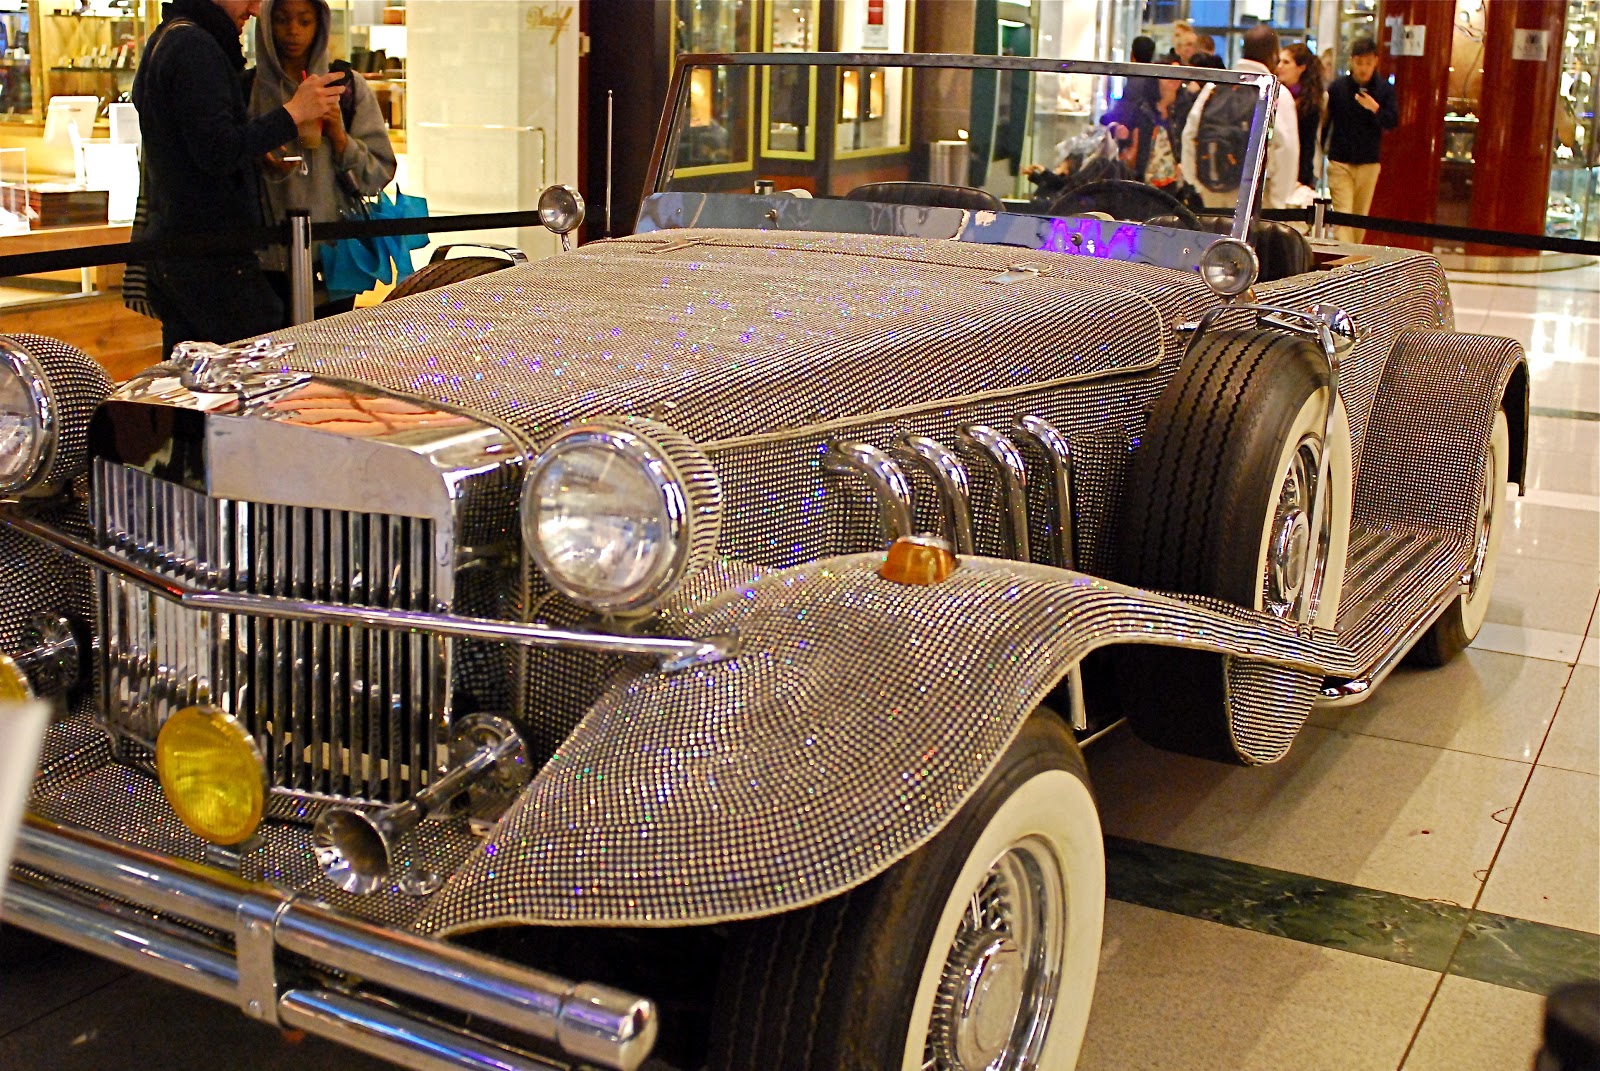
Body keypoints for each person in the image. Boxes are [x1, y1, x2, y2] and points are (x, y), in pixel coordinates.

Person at [131, 0, 343, 358]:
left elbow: (197, 145)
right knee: (252, 368)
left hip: (180, 246)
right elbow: (217, 151)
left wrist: (254, 152)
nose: (256, 9)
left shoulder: (168, 38)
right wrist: (293, 113)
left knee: (191, 372)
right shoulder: (194, 47)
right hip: (209, 252)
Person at [250, 0, 397, 316]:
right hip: (262, 261)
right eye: (282, 20)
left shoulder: (345, 87)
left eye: (304, 21)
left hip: (334, 259)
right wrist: (261, 158)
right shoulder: (248, 89)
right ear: (266, 24)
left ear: (320, 24)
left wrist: (340, 138)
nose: (293, 31)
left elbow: (379, 172)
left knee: (328, 341)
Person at [1181, 23, 1298, 211]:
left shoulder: (1214, 88)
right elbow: (1286, 149)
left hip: (1213, 189)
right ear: (1273, 55)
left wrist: (1196, 183)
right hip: (1257, 194)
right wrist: (1278, 202)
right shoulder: (1276, 92)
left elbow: (1189, 134)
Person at [1323, 35, 1397, 243]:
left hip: (1368, 162)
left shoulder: (1384, 90)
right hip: (1340, 161)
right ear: (1351, 61)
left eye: (1368, 63)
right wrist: (1323, 150)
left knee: (1360, 218)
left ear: (1376, 62)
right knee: (1343, 216)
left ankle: (1354, 257)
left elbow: (1392, 122)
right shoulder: (1337, 88)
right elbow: (1327, 122)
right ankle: (1345, 261)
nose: (1363, 68)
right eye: (1359, 62)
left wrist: (1375, 109)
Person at [1277, 43, 1326, 190]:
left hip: (1299, 174)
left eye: (1286, 62)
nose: (1280, 66)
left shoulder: (1310, 101)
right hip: (1276, 168)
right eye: (1279, 61)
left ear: (1301, 68)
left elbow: (1307, 144)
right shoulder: (1274, 93)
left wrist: (1301, 178)